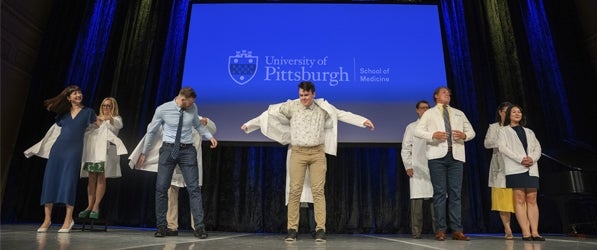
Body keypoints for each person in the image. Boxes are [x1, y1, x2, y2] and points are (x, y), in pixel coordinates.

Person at [241, 81, 375, 242]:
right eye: (301, 95)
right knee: (294, 191)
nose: (303, 98)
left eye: (306, 95)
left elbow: (342, 114)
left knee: (318, 192)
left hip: (317, 153)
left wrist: (363, 121)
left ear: (313, 94)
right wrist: (250, 124)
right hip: (298, 153)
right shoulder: (291, 106)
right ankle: (292, 229)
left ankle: (320, 230)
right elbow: (268, 114)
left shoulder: (322, 108)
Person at [134, 87, 217, 238]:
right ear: (182, 99)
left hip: (187, 151)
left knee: (194, 188)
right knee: (161, 188)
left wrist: (209, 136)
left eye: (193, 103)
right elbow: (152, 131)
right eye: (190, 103)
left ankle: (199, 227)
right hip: (168, 150)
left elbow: (198, 126)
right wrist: (144, 152)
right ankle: (161, 227)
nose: (192, 105)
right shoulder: (163, 109)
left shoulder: (193, 108)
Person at [32, 85, 97, 233]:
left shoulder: (88, 112)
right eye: (74, 93)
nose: (78, 95)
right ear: (68, 98)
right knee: (50, 181)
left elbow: (99, 126)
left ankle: (68, 219)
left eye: (79, 92)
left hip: (74, 151)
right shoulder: (63, 114)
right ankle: (47, 220)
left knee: (69, 182)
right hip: (58, 150)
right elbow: (54, 131)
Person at [414, 86, 475, 241]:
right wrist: (432, 135)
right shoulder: (429, 113)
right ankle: (440, 230)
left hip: (456, 156)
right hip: (437, 157)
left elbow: (472, 132)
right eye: (444, 92)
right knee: (440, 193)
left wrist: (465, 135)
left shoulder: (458, 113)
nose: (447, 94)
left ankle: (457, 230)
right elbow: (418, 131)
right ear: (436, 96)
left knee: (455, 194)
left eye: (449, 93)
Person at [497, 105, 544, 241]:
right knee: (519, 199)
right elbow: (503, 148)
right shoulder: (503, 131)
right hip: (515, 167)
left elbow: (538, 148)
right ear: (508, 115)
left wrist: (532, 158)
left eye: (519, 112)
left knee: (532, 198)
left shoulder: (529, 131)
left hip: (531, 167)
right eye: (514, 112)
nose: (517, 114)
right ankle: (525, 232)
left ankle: (535, 232)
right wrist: (520, 159)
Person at [78, 97, 124, 220]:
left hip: (106, 152)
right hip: (93, 152)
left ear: (113, 107)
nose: (106, 108)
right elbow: (88, 131)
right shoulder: (96, 118)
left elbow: (117, 125)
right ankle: (89, 205)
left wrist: (104, 119)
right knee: (91, 177)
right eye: (104, 105)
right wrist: (95, 121)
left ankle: (96, 206)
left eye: (109, 106)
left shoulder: (116, 119)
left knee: (101, 177)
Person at [400, 100, 435, 239]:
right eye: (422, 108)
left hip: (434, 167)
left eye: (427, 108)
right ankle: (416, 232)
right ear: (417, 110)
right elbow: (405, 148)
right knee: (417, 206)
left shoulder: (435, 127)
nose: (425, 110)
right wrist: (408, 165)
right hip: (417, 168)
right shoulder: (412, 127)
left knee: (436, 204)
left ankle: (439, 232)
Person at [483, 101, 515, 240]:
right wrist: (501, 141)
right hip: (500, 167)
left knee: (519, 198)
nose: (509, 114)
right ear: (500, 112)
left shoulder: (518, 128)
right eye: (507, 111)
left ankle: (526, 228)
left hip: (516, 165)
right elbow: (487, 143)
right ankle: (507, 229)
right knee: (503, 201)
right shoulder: (494, 127)